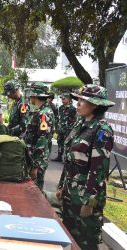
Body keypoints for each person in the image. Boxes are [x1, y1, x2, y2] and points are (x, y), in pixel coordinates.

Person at [57, 85, 114, 250]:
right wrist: (62, 186)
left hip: (85, 197)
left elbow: (98, 170)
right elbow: (69, 159)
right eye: (78, 99)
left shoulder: (102, 130)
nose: (78, 103)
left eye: (83, 100)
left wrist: (90, 202)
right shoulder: (80, 124)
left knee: (86, 242)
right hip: (70, 192)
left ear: (95, 105)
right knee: (70, 238)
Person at [23, 82, 54, 191]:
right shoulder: (40, 111)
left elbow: (43, 140)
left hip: (36, 161)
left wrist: (35, 166)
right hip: (32, 158)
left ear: (34, 95)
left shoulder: (44, 114)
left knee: (34, 192)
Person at [52, 93, 77, 162]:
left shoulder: (73, 109)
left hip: (68, 130)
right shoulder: (61, 108)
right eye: (62, 99)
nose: (62, 100)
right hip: (61, 129)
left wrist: (71, 128)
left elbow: (75, 120)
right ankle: (59, 157)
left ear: (69, 99)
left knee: (67, 144)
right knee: (59, 142)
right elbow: (59, 118)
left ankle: (66, 158)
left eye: (64, 98)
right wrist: (57, 127)